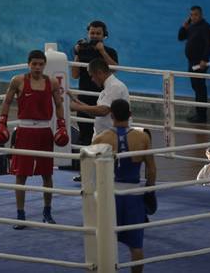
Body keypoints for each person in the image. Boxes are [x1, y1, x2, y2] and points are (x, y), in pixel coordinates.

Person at [0, 50, 69, 229]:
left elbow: (59, 104)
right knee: (21, 174)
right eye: (34, 64)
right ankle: (20, 215)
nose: (37, 67)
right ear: (28, 64)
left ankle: (47, 212)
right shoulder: (18, 81)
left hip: (44, 131)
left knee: (47, 174)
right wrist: (2, 123)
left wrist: (62, 125)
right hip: (25, 131)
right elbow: (7, 101)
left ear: (44, 65)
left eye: (40, 64)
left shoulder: (51, 82)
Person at [92, 99, 156, 273]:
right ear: (130, 115)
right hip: (134, 197)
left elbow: (93, 172)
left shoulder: (100, 139)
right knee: (136, 246)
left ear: (111, 116)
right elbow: (151, 170)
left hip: (110, 196)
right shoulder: (143, 137)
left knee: (104, 242)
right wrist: (149, 191)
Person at [70, 21, 119, 182]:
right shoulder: (82, 50)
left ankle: (108, 171)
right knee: (85, 136)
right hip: (85, 98)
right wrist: (77, 53)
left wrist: (102, 51)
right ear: (88, 33)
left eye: (98, 33)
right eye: (92, 33)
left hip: (103, 99)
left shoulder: (110, 51)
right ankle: (85, 172)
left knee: (105, 136)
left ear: (104, 35)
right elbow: (75, 75)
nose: (95, 36)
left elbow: (114, 68)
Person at [70, 57, 129, 138]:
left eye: (92, 76)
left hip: (112, 138)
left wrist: (78, 107)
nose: (92, 80)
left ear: (99, 72)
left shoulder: (115, 87)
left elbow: (103, 111)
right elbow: (97, 112)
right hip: (106, 136)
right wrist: (77, 102)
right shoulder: (107, 89)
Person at [178, 5, 210, 123]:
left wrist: (204, 59)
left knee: (200, 88)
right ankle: (199, 113)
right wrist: (184, 26)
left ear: (201, 15)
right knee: (196, 87)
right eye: (191, 15)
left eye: (195, 15)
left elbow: (209, 44)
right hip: (192, 62)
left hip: (200, 63)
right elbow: (181, 37)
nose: (193, 17)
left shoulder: (206, 27)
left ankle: (202, 115)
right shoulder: (191, 27)